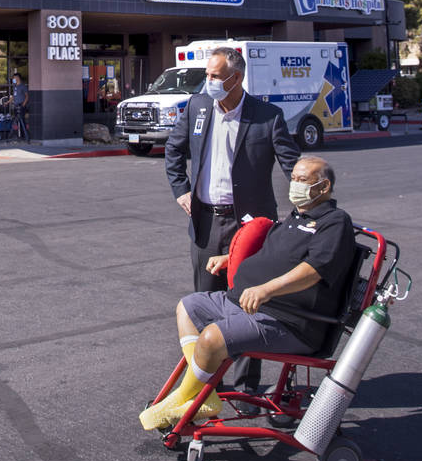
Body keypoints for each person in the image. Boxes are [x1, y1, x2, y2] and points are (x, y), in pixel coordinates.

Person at [140, 156, 356, 429]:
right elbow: (271, 255)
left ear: (323, 187)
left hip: (287, 319)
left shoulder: (334, 222)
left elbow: (315, 270)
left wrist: (266, 289)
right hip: (244, 302)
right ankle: (205, 394)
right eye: (294, 179)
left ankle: (185, 398)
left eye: (303, 180)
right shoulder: (296, 217)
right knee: (188, 307)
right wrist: (228, 259)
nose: (294, 185)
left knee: (211, 338)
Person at [164, 45, 300, 397]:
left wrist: (309, 207)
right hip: (206, 222)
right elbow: (174, 150)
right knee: (204, 304)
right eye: (207, 75)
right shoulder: (198, 106)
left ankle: (246, 388)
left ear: (235, 78)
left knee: (247, 306)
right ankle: (207, 387)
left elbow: (292, 165)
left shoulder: (267, 117)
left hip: (249, 228)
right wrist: (181, 190)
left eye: (213, 76)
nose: (206, 82)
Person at [10, 71, 29, 140]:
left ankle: (24, 135)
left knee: (22, 120)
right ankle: (18, 134)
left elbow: (27, 96)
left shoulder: (22, 86)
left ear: (18, 78)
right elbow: (13, 96)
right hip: (16, 106)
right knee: (16, 120)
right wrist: (8, 102)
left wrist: (23, 105)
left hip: (21, 106)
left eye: (14, 78)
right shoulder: (15, 86)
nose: (13, 79)